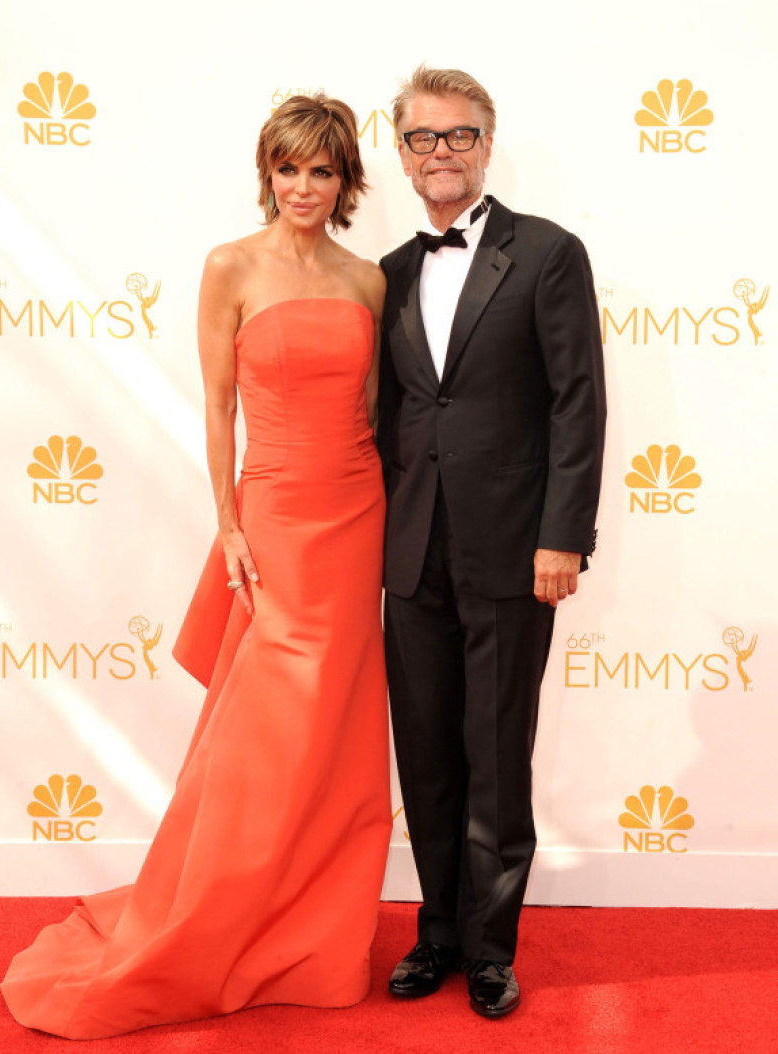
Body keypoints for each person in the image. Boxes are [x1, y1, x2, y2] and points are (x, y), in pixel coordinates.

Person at [1, 94, 391, 1039]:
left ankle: (313, 940)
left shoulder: (368, 281)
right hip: (273, 516)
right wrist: (231, 525)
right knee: (260, 743)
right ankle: (212, 923)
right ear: (267, 172)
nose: (303, 187)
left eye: (322, 171)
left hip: (355, 512)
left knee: (336, 737)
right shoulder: (229, 268)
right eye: (289, 168)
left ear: (345, 181)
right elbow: (218, 410)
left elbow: (376, 412)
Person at [377, 66, 606, 1019]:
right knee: (427, 754)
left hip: (517, 552)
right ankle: (435, 932)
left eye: (459, 136)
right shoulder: (385, 273)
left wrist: (564, 536)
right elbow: (387, 416)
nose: (442, 152)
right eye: (425, 137)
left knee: (496, 755)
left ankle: (490, 951)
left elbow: (577, 403)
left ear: (487, 143)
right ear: (400, 151)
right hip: (412, 552)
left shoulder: (547, 253)